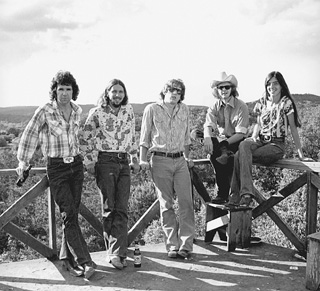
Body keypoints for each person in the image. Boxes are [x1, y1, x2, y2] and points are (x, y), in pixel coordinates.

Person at [16, 70, 95, 279]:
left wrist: (88, 160)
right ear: (55, 91)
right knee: (69, 212)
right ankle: (85, 261)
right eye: (61, 89)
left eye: (68, 89)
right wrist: (24, 162)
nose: (64, 93)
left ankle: (66, 259)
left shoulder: (77, 110)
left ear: (73, 91)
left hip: (76, 166)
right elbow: (30, 134)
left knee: (72, 214)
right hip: (57, 167)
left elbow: (80, 140)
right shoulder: (45, 110)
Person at [79, 79, 139, 270]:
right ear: (107, 93)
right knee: (109, 207)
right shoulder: (97, 112)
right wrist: (89, 161)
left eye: (121, 92)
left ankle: (117, 252)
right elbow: (85, 137)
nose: (117, 95)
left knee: (122, 207)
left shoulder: (128, 110)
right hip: (105, 161)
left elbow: (131, 136)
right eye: (114, 92)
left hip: (123, 162)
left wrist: (135, 158)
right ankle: (114, 252)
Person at [228, 71, 313, 207]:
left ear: (281, 85)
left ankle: (239, 196)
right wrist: (253, 137)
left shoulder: (286, 103)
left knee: (239, 155)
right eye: (269, 84)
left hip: (276, 145)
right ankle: (241, 195)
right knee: (243, 146)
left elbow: (293, 129)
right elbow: (258, 124)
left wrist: (301, 155)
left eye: (275, 83)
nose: (271, 87)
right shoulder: (262, 102)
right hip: (261, 141)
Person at [139, 79, 195, 259]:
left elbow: (187, 137)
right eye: (171, 90)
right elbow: (144, 137)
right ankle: (172, 245)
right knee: (166, 205)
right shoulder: (152, 109)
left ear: (181, 94)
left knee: (186, 203)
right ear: (164, 92)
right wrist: (142, 159)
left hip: (180, 161)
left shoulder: (184, 109)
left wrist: (187, 157)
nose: (174, 94)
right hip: (160, 160)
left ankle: (186, 245)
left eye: (178, 91)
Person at [202, 72, 249, 204]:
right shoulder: (215, 106)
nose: (223, 90)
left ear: (232, 89)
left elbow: (241, 133)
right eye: (220, 87)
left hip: (236, 141)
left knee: (216, 156)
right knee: (196, 133)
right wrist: (207, 137)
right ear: (217, 90)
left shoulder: (241, 106)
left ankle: (225, 194)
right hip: (221, 140)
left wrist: (223, 143)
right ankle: (223, 193)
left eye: (227, 87)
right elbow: (208, 124)